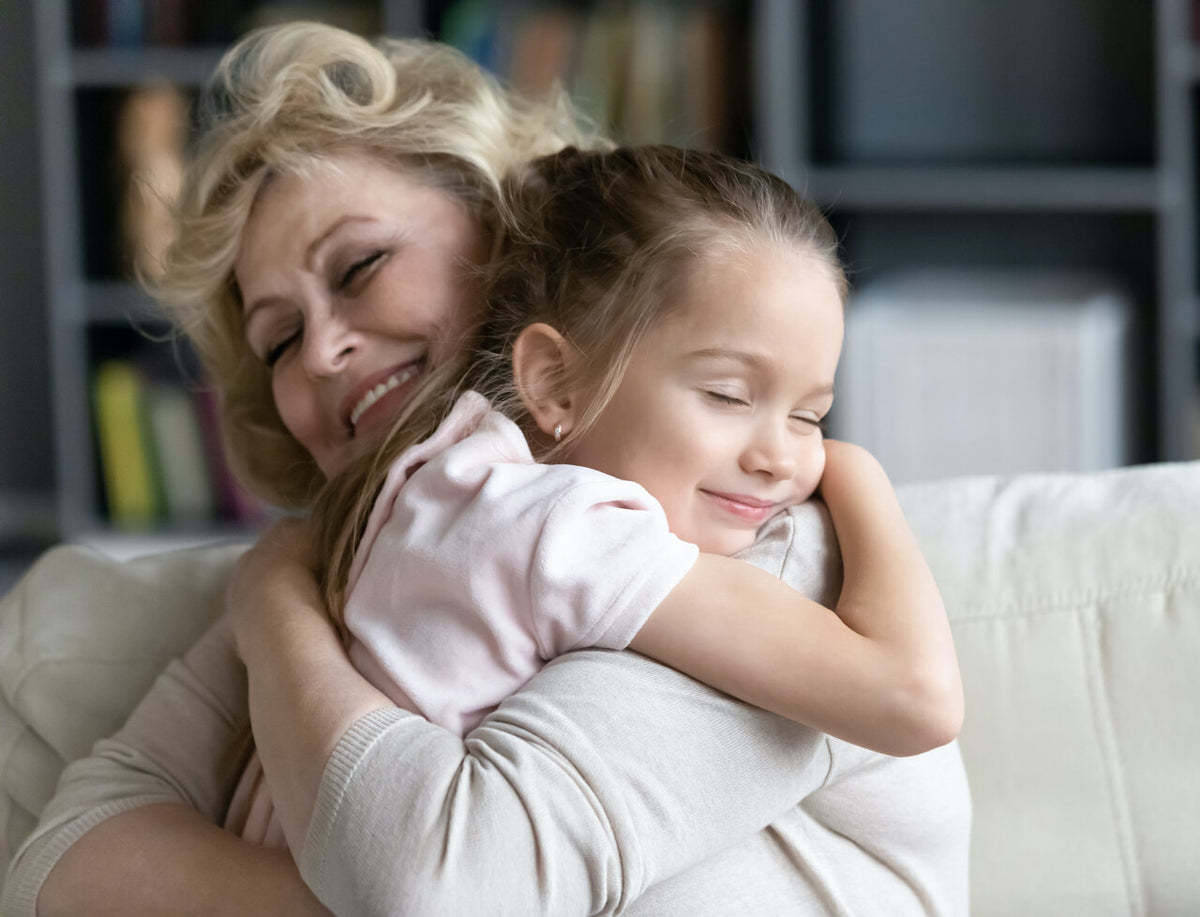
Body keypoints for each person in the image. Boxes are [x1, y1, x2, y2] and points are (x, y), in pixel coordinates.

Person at [3, 22, 971, 917]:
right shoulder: (361, 549)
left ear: (500, 231)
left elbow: (440, 882)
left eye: (359, 267)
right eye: (280, 338)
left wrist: (271, 616)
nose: (323, 351)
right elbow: (64, 861)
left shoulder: (756, 528)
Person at [225, 142, 963, 848]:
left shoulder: (452, 478)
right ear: (552, 381)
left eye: (810, 416)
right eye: (727, 393)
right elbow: (916, 699)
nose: (781, 459)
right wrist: (858, 469)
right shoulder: (553, 527)